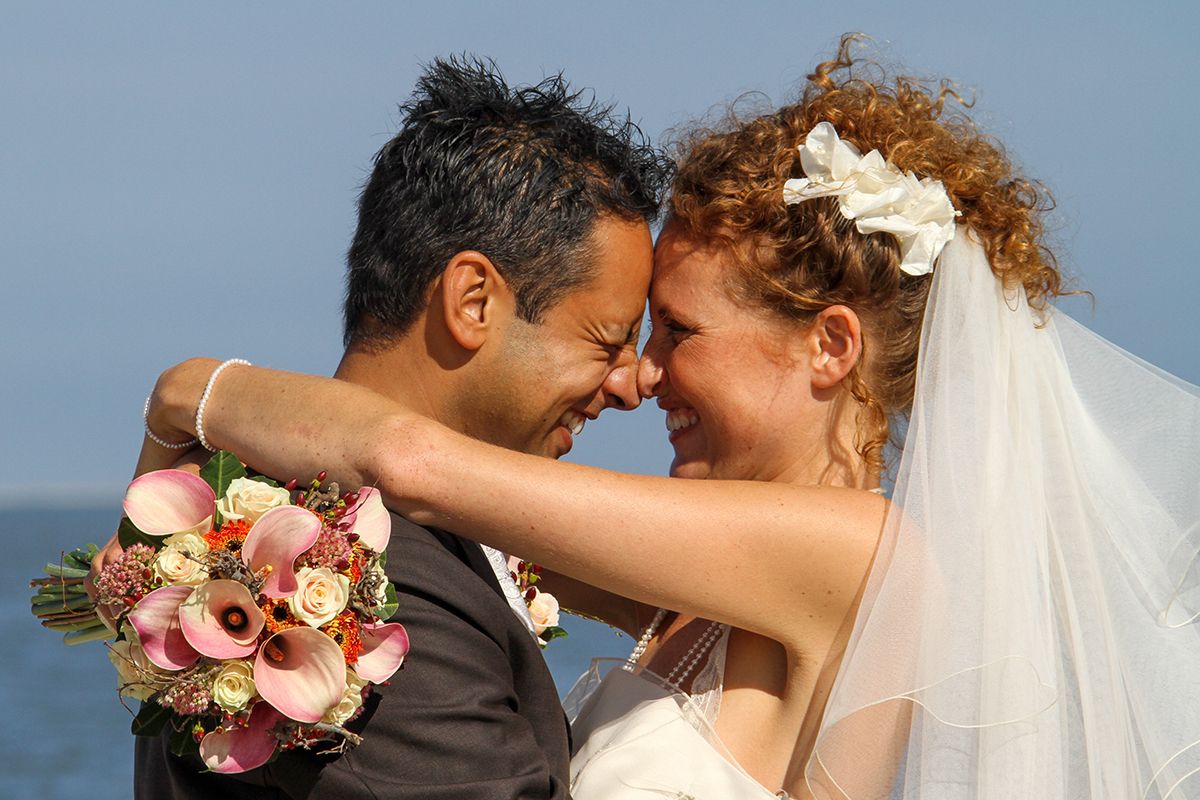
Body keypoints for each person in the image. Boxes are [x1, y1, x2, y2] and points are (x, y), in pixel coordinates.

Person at [141, 38, 1200, 799]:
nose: (644, 377)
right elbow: (464, 536)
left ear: (830, 346)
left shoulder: (860, 552)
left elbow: (414, 461)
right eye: (630, 337)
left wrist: (195, 394)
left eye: (678, 331)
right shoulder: (705, 579)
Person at [97, 56, 672, 799]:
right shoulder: (354, 576)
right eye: (607, 340)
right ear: (472, 300)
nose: (631, 385)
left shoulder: (326, 519)